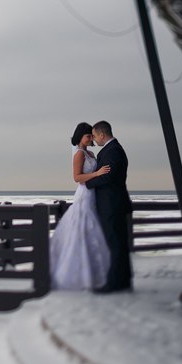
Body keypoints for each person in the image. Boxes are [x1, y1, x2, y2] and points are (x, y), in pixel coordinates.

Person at [50, 122, 112, 290]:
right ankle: (78, 273)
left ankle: (94, 270)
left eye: (91, 135)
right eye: (88, 136)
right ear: (80, 137)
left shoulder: (90, 153)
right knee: (83, 230)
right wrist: (97, 173)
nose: (91, 138)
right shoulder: (79, 154)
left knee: (93, 230)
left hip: (95, 194)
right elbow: (77, 178)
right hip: (84, 194)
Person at [86, 120, 134, 293]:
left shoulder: (112, 151)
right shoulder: (113, 149)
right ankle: (123, 280)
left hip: (112, 204)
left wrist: (88, 183)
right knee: (119, 243)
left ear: (102, 134)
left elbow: (108, 177)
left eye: (95, 135)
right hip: (114, 203)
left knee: (115, 244)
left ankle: (114, 283)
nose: (94, 139)